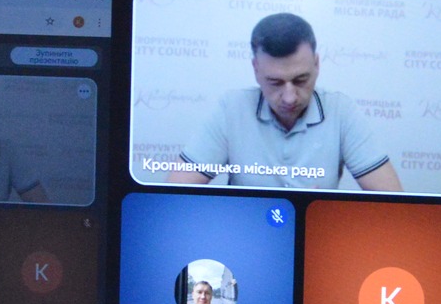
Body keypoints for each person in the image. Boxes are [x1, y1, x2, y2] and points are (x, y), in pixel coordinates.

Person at [168, 12, 403, 192]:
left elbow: (392, 200)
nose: (290, 97)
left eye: (301, 80)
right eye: (275, 82)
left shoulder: (341, 111)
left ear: (317, 65)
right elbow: (174, 192)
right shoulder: (232, 108)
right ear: (256, 69)